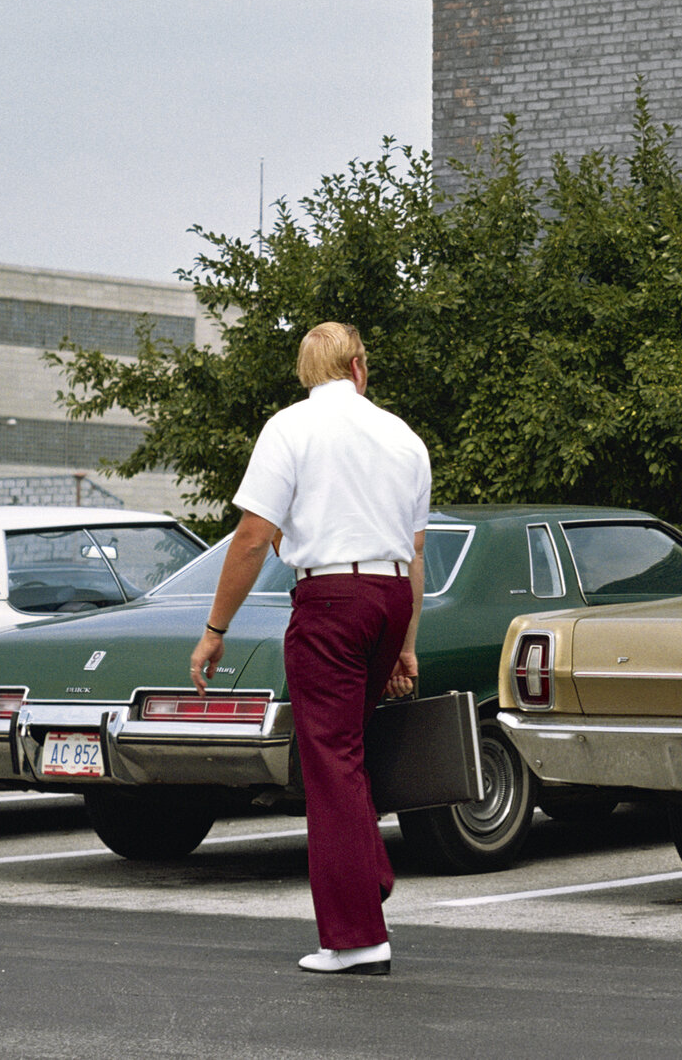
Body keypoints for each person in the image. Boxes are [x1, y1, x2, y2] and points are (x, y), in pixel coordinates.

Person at [190, 320, 430, 976]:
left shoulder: (290, 429)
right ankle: (367, 875)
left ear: (308, 371)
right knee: (347, 754)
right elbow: (414, 551)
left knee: (331, 762)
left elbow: (250, 535)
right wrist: (406, 642)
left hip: (330, 603)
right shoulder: (404, 438)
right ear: (358, 366)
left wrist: (216, 629)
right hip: (388, 598)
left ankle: (356, 936)